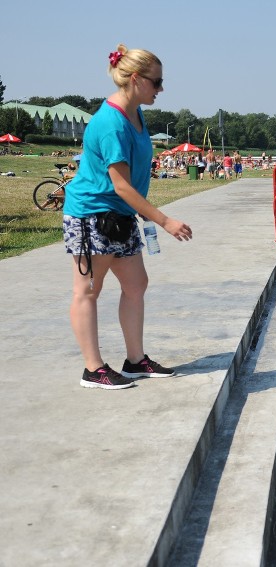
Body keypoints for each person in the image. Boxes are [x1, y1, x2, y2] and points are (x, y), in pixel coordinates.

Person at [62, 43, 193, 390]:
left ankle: (135, 361)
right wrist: (164, 221)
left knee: (136, 285)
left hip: (120, 215)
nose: (161, 89)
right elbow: (120, 185)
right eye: (157, 81)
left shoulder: (136, 113)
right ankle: (93, 369)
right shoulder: (110, 123)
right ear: (136, 79)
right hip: (93, 215)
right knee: (88, 290)